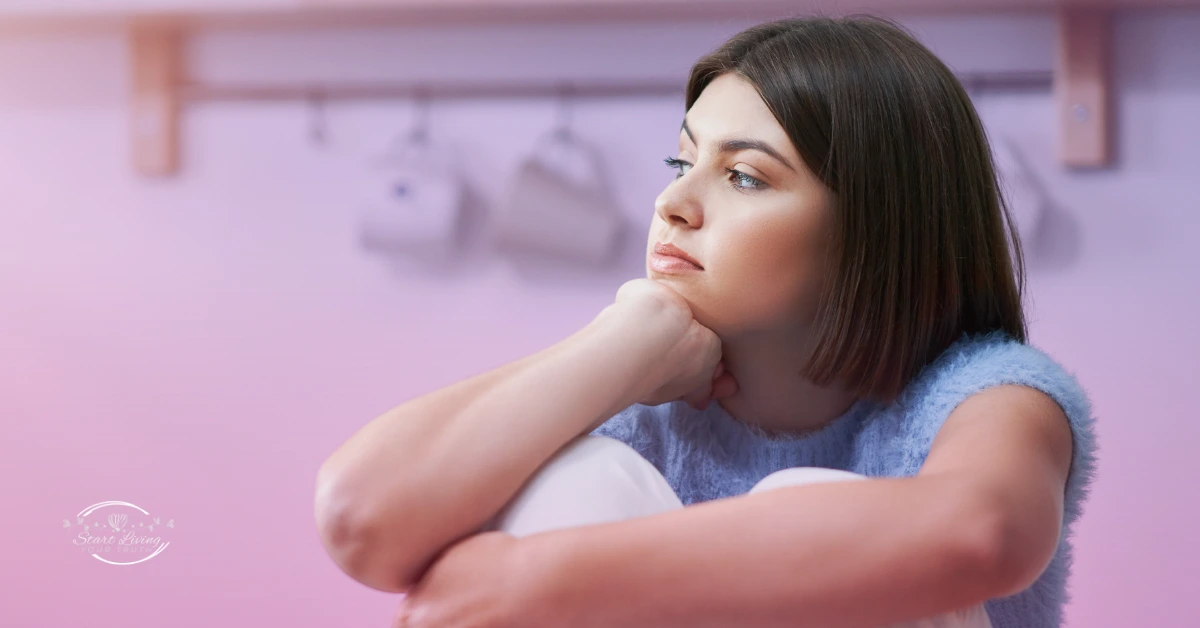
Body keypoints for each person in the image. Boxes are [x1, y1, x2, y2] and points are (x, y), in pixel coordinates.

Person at [313, 15, 1098, 628]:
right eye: (681, 164)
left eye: (745, 177)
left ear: (878, 226)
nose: (673, 204)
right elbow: (360, 521)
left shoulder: (986, 393)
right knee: (580, 477)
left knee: (809, 498)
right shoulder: (643, 415)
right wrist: (615, 347)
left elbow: (979, 533)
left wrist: (539, 582)